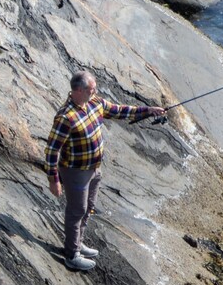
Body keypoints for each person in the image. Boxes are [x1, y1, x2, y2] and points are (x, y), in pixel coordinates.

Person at [44, 70, 166, 271]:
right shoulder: (66, 117)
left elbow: (120, 111)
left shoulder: (95, 103)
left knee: (89, 206)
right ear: (80, 90)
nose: (95, 92)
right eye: (92, 89)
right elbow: (51, 150)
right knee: (77, 211)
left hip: (94, 169)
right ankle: (71, 255)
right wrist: (53, 179)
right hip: (75, 171)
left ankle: (78, 242)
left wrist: (149, 110)